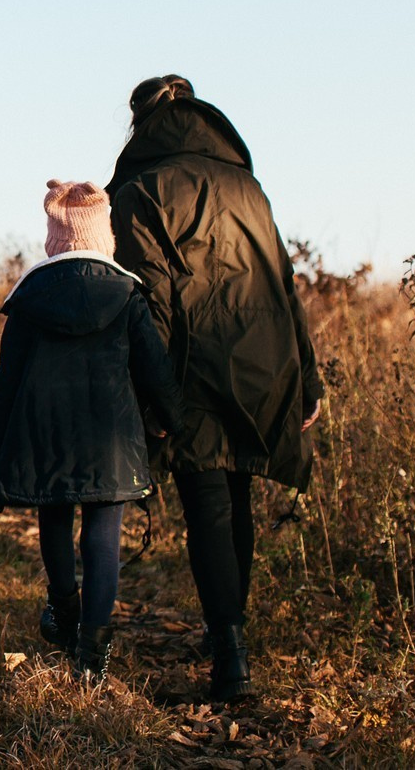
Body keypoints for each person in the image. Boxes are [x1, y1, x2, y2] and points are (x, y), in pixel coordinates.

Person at [108, 75, 323, 702]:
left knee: (208, 508)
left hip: (191, 365)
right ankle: (228, 636)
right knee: (238, 501)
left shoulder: (140, 188)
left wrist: (153, 395)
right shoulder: (247, 185)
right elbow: (284, 283)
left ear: (139, 121)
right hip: (264, 360)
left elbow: (151, 300)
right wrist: (306, 376)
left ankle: (231, 662)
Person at [0, 180, 184, 680]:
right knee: (103, 536)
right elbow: (155, 370)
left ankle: (65, 613)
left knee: (54, 520)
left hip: (45, 434)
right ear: (104, 236)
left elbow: (5, 384)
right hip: (111, 437)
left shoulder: (30, 298)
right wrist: (172, 422)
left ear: (55, 238)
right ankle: (92, 655)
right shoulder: (127, 293)